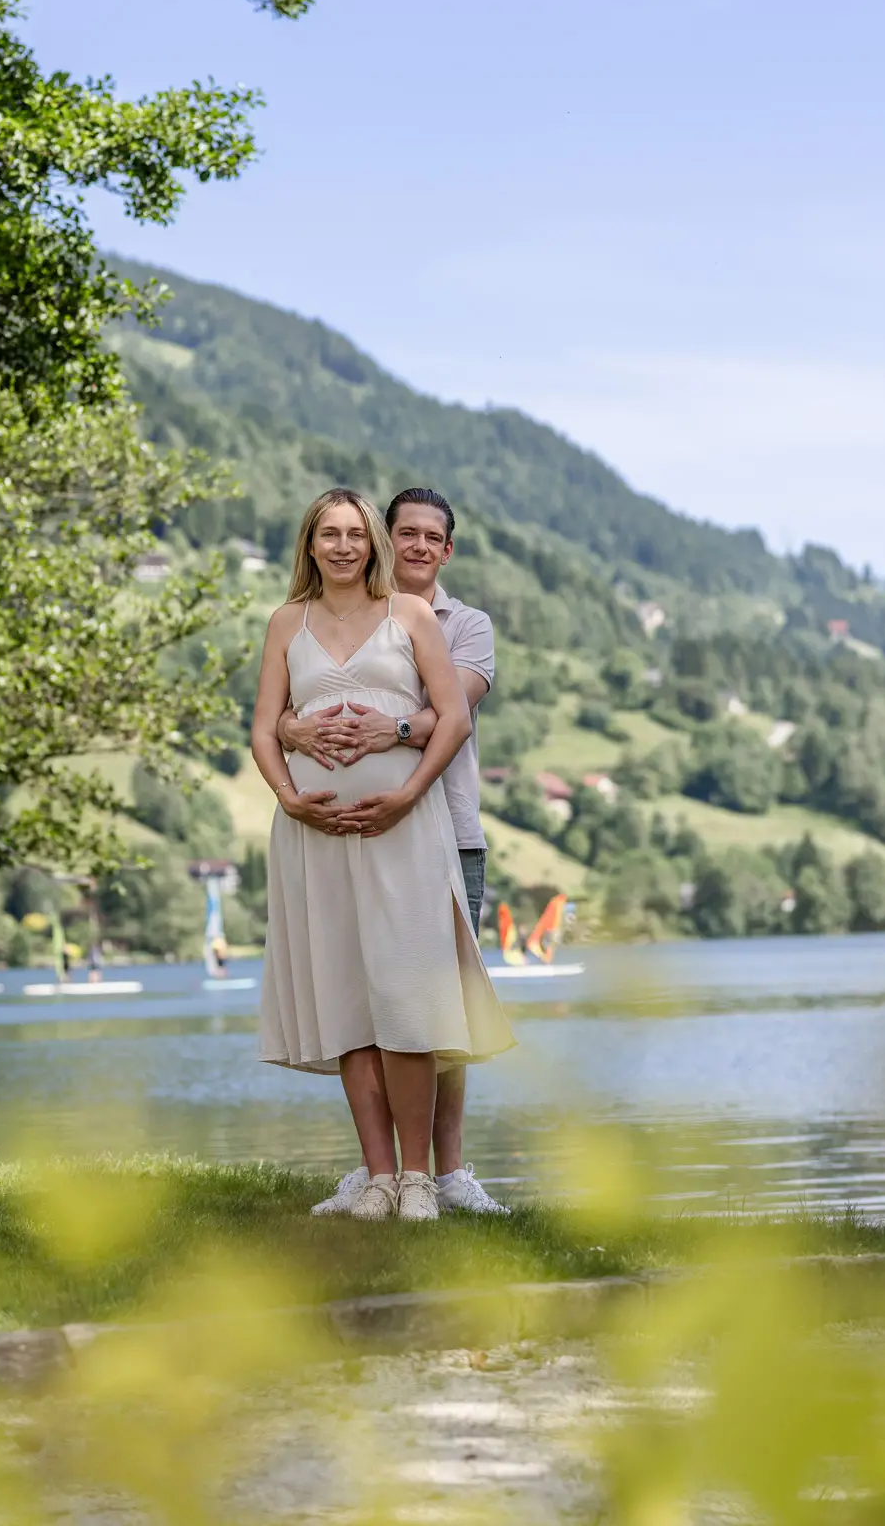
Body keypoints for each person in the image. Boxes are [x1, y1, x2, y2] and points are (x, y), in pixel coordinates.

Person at [253, 488, 514, 1222]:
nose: (343, 545)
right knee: (351, 999)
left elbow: (449, 714)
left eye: (352, 534)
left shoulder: (438, 621)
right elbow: (264, 724)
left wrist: (396, 751)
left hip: (423, 829)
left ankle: (435, 1175)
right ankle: (380, 1178)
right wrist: (289, 767)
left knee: (423, 1001)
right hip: (320, 837)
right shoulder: (286, 622)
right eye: (328, 534)